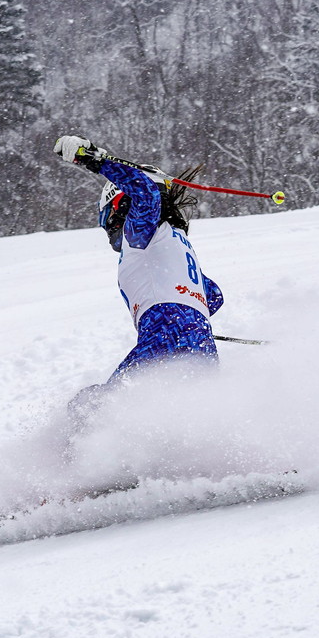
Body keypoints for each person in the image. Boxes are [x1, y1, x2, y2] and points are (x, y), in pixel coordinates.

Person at [53, 135, 223, 425]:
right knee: (185, 417)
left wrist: (93, 158)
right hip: (203, 345)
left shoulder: (142, 232)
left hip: (163, 335)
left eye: (106, 219)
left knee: (96, 410)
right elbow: (214, 297)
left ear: (116, 208)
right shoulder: (175, 241)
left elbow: (144, 192)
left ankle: (82, 464)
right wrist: (191, 326)